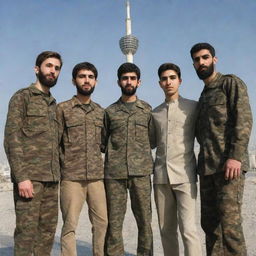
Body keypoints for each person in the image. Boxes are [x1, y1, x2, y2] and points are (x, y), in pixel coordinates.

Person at [190, 42, 253, 256]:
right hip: (208, 169)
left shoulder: (230, 83)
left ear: (214, 60)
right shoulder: (204, 95)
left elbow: (243, 120)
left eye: (205, 57)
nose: (201, 62)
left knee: (230, 227)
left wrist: (235, 157)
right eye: (197, 60)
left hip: (229, 168)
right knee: (210, 226)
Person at [4, 51, 63, 255]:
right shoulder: (22, 97)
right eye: (48, 66)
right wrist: (22, 177)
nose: (52, 71)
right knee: (26, 234)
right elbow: (11, 139)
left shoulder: (54, 105)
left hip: (51, 179)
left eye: (56, 68)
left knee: (47, 233)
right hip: (30, 180)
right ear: (37, 69)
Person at [150, 63, 202, 256]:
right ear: (159, 83)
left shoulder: (193, 107)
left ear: (180, 80)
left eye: (172, 78)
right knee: (166, 231)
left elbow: (205, 135)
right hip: (161, 179)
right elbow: (150, 143)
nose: (168, 82)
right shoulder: (154, 113)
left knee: (188, 230)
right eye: (164, 79)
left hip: (185, 177)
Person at [102, 62, 153, 256]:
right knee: (114, 222)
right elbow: (103, 141)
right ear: (118, 82)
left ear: (139, 82)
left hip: (141, 173)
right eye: (125, 78)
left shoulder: (147, 110)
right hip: (115, 174)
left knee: (145, 222)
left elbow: (153, 139)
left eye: (132, 78)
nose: (129, 81)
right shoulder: (110, 112)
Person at [57, 62, 108, 256]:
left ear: (95, 81)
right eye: (82, 76)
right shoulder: (62, 109)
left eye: (90, 77)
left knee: (102, 222)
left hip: (96, 177)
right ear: (74, 80)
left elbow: (104, 143)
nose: (86, 80)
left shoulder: (100, 112)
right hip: (71, 177)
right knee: (70, 225)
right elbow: (56, 143)